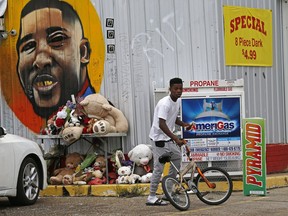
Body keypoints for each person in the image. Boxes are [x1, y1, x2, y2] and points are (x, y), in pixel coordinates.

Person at [16, 0, 95, 118]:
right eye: (28, 46)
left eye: (56, 39)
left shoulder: (97, 112)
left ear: (83, 52)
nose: (41, 60)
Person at [146, 77, 190, 206]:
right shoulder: (165, 103)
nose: (178, 91)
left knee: (176, 160)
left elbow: (173, 118)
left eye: (180, 88)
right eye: (175, 89)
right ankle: (151, 197)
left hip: (168, 139)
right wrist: (176, 138)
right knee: (158, 169)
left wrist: (184, 124)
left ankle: (167, 193)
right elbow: (161, 124)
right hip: (159, 140)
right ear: (169, 89)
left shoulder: (177, 101)